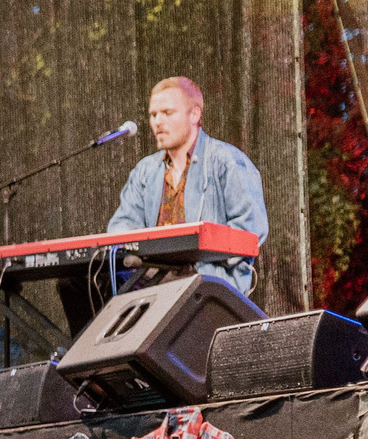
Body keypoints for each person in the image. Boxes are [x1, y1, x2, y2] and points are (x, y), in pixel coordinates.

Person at [103, 76, 269, 300]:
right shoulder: (145, 170)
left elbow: (250, 230)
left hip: (206, 278)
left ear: (194, 115)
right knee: (81, 282)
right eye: (153, 114)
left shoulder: (226, 161)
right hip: (152, 278)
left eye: (167, 113)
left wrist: (198, 256)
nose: (157, 122)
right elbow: (121, 226)